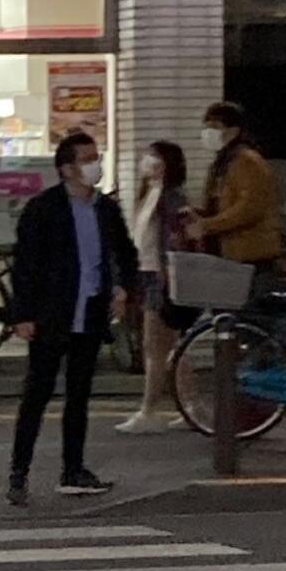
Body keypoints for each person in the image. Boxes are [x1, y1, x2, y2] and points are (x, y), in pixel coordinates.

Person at [7, 129, 140, 502]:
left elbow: (125, 254)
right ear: (66, 169)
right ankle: (19, 472)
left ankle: (73, 469)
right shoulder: (44, 209)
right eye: (86, 159)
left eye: (95, 157)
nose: (94, 165)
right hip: (52, 314)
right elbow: (26, 265)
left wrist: (122, 288)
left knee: (79, 396)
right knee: (37, 394)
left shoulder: (105, 208)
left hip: (91, 313)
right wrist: (23, 313)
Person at [116, 139, 192, 435]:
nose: (145, 161)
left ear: (166, 163)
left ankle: (149, 410)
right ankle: (191, 406)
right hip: (149, 274)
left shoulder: (170, 197)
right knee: (170, 345)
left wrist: (165, 273)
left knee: (155, 345)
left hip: (160, 276)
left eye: (153, 156)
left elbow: (173, 239)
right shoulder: (151, 193)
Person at [190, 101, 286, 271]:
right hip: (228, 253)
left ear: (234, 131)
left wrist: (208, 225)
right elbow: (219, 204)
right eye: (206, 127)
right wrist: (197, 215)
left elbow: (249, 208)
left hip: (250, 254)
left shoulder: (247, 161)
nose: (208, 132)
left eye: (215, 126)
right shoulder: (222, 163)